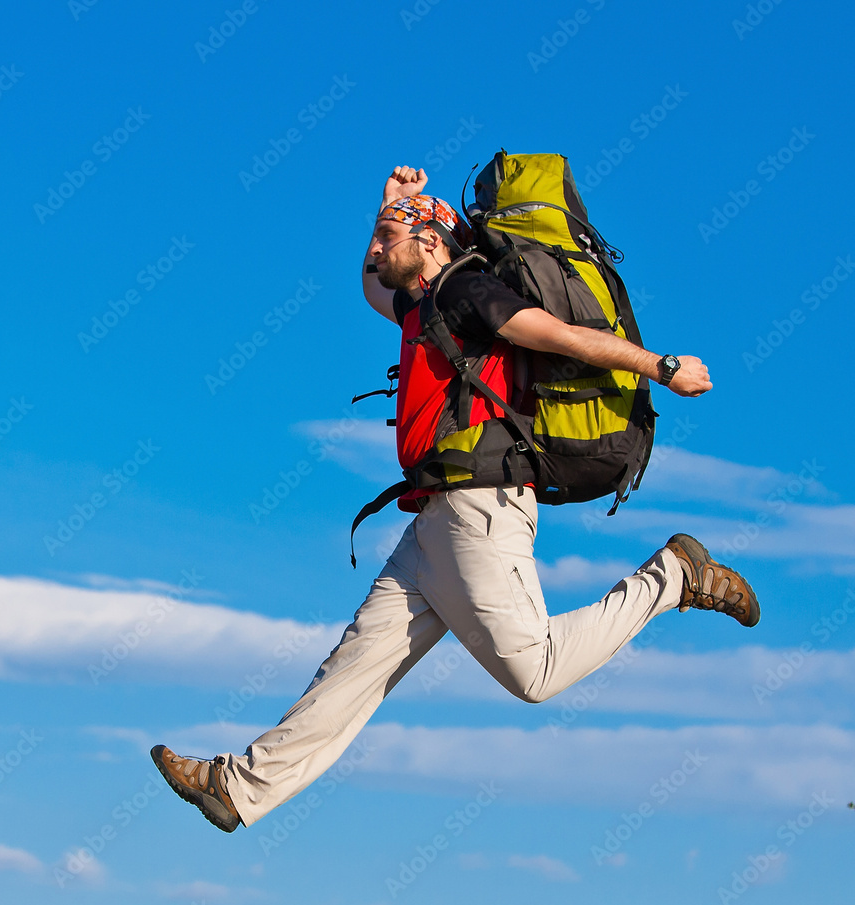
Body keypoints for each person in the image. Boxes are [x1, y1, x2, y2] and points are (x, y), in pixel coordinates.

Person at [150, 165, 760, 833]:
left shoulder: (467, 291)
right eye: (378, 240)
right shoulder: (419, 305)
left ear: (434, 240)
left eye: (389, 237)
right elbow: (368, 286)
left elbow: (551, 335)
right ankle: (239, 786)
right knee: (353, 668)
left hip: (481, 507)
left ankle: (675, 575)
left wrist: (659, 366)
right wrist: (386, 207)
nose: (377, 250)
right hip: (434, 521)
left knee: (537, 673)